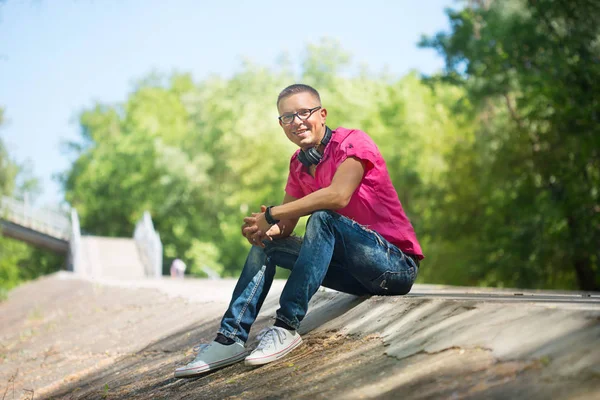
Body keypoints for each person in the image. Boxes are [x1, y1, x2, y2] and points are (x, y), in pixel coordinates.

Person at [174, 84, 423, 378]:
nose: (296, 122)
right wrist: (263, 229)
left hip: (394, 268)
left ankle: (286, 327)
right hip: (351, 275)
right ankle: (230, 338)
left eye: (304, 112)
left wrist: (273, 214)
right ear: (281, 125)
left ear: (322, 114)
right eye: (287, 117)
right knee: (268, 246)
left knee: (323, 217)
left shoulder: (353, 143)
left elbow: (337, 196)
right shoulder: (298, 164)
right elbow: (285, 226)